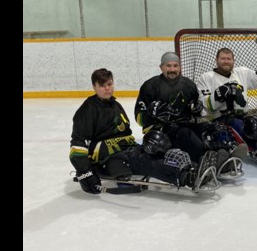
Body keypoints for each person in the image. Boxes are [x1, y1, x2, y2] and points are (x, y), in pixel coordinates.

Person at [70, 68, 217, 194]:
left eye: (109, 84)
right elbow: (77, 145)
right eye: (102, 85)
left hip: (126, 150)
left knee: (157, 149)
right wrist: (85, 172)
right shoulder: (88, 110)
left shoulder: (115, 105)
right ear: (94, 86)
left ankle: (194, 166)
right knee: (144, 160)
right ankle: (188, 176)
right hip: (108, 159)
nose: (107, 88)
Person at [195, 47, 257, 154]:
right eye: (223, 58)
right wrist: (219, 94)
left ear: (233, 61)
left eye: (229, 59)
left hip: (243, 118)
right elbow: (206, 105)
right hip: (220, 120)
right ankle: (255, 148)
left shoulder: (242, 73)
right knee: (236, 125)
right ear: (216, 60)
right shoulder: (206, 78)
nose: (226, 61)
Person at [135, 52, 208, 165]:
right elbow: (139, 119)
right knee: (184, 133)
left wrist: (197, 109)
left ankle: (218, 153)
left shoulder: (189, 85)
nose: (172, 69)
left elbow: (197, 112)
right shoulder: (149, 86)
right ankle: (204, 160)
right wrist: (151, 112)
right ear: (161, 67)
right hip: (160, 131)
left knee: (206, 127)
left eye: (175, 66)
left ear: (180, 67)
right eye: (168, 66)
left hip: (185, 125)